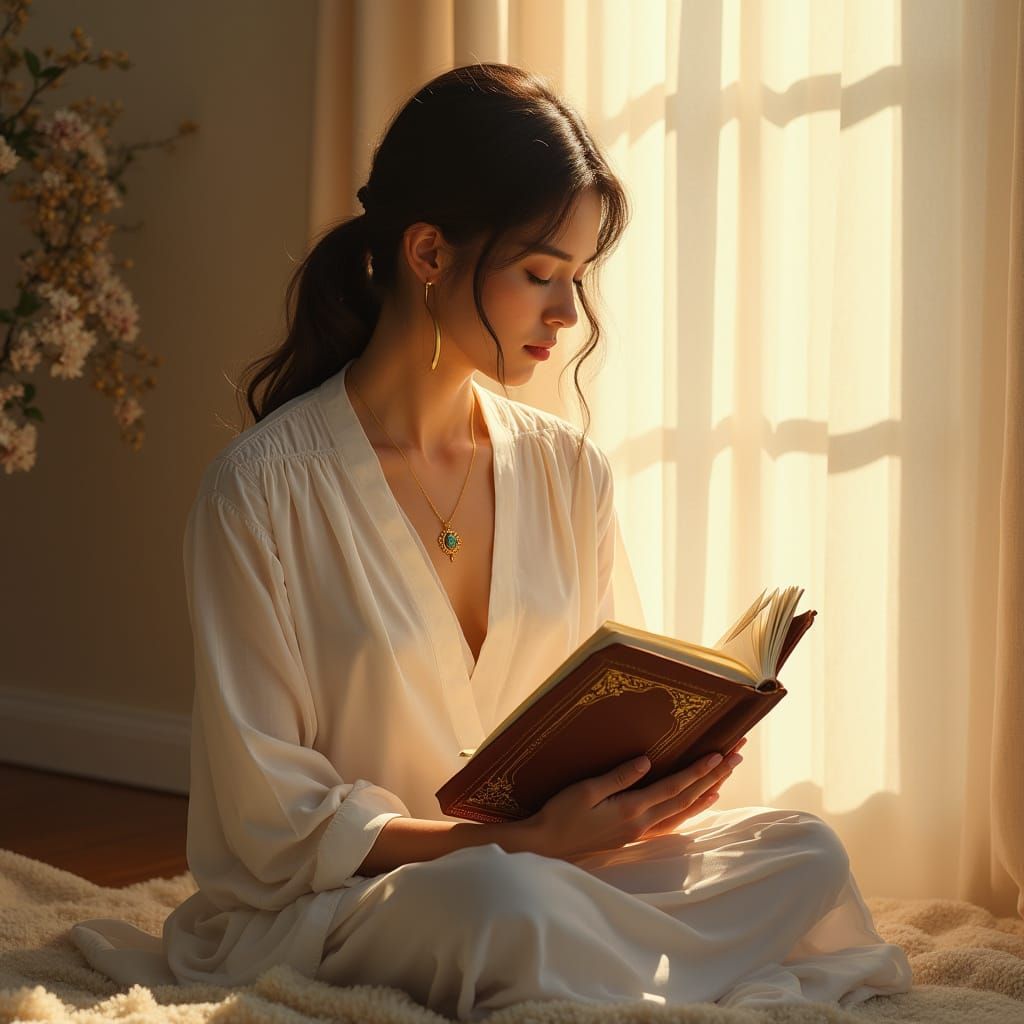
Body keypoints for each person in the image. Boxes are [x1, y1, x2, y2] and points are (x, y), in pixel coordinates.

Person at [70, 62, 913, 1019]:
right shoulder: (261, 493)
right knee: (501, 906)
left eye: (578, 280)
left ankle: (597, 968)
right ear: (428, 252)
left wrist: (651, 783)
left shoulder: (568, 470)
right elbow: (275, 825)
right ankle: (630, 971)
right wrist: (524, 848)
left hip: (562, 872)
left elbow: (610, 694)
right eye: (541, 275)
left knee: (803, 849)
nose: (568, 316)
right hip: (376, 899)